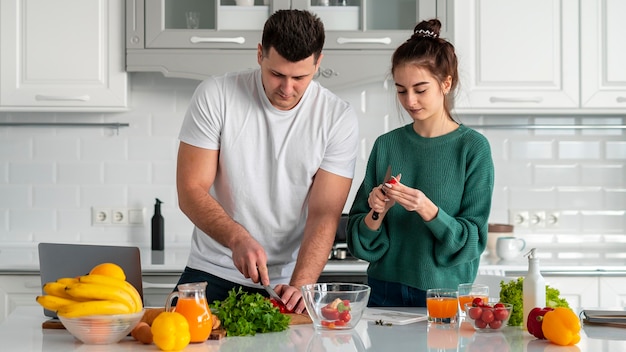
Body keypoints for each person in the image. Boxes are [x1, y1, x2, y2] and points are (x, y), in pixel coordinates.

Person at [175, 9, 359, 313]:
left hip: (286, 283)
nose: (287, 89)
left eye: (300, 77)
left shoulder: (337, 118)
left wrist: (302, 284)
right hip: (212, 270)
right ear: (260, 54)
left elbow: (324, 214)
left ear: (318, 62)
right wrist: (237, 238)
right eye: (277, 74)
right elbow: (190, 190)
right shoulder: (216, 95)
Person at [346, 19, 494, 307]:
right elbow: (360, 241)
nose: (410, 100)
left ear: (446, 83)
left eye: (420, 89)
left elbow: (473, 241)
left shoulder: (472, 148)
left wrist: (426, 209)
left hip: (444, 296)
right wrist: (376, 212)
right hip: (383, 291)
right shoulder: (386, 145)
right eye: (401, 90)